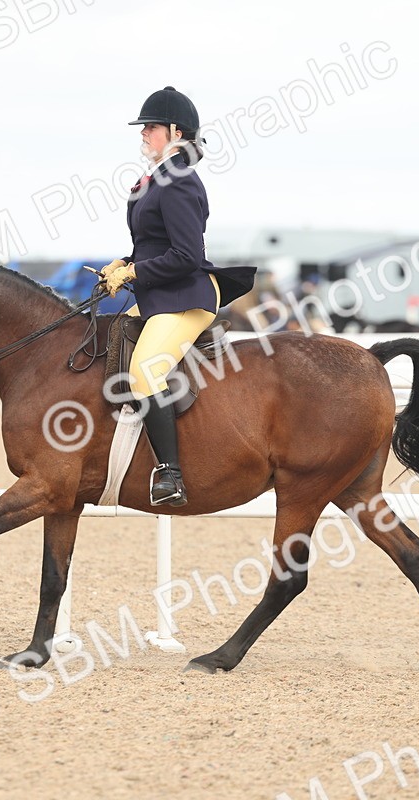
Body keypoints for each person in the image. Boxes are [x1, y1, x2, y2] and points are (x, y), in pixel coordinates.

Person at [99, 87, 256, 507]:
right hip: (158, 294)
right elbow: (151, 245)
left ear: (174, 131)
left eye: (150, 127)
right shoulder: (150, 182)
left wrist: (134, 272)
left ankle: (170, 474)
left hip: (185, 297)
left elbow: (187, 256)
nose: (144, 134)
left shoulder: (180, 181)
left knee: (145, 371)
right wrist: (121, 263)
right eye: (144, 128)